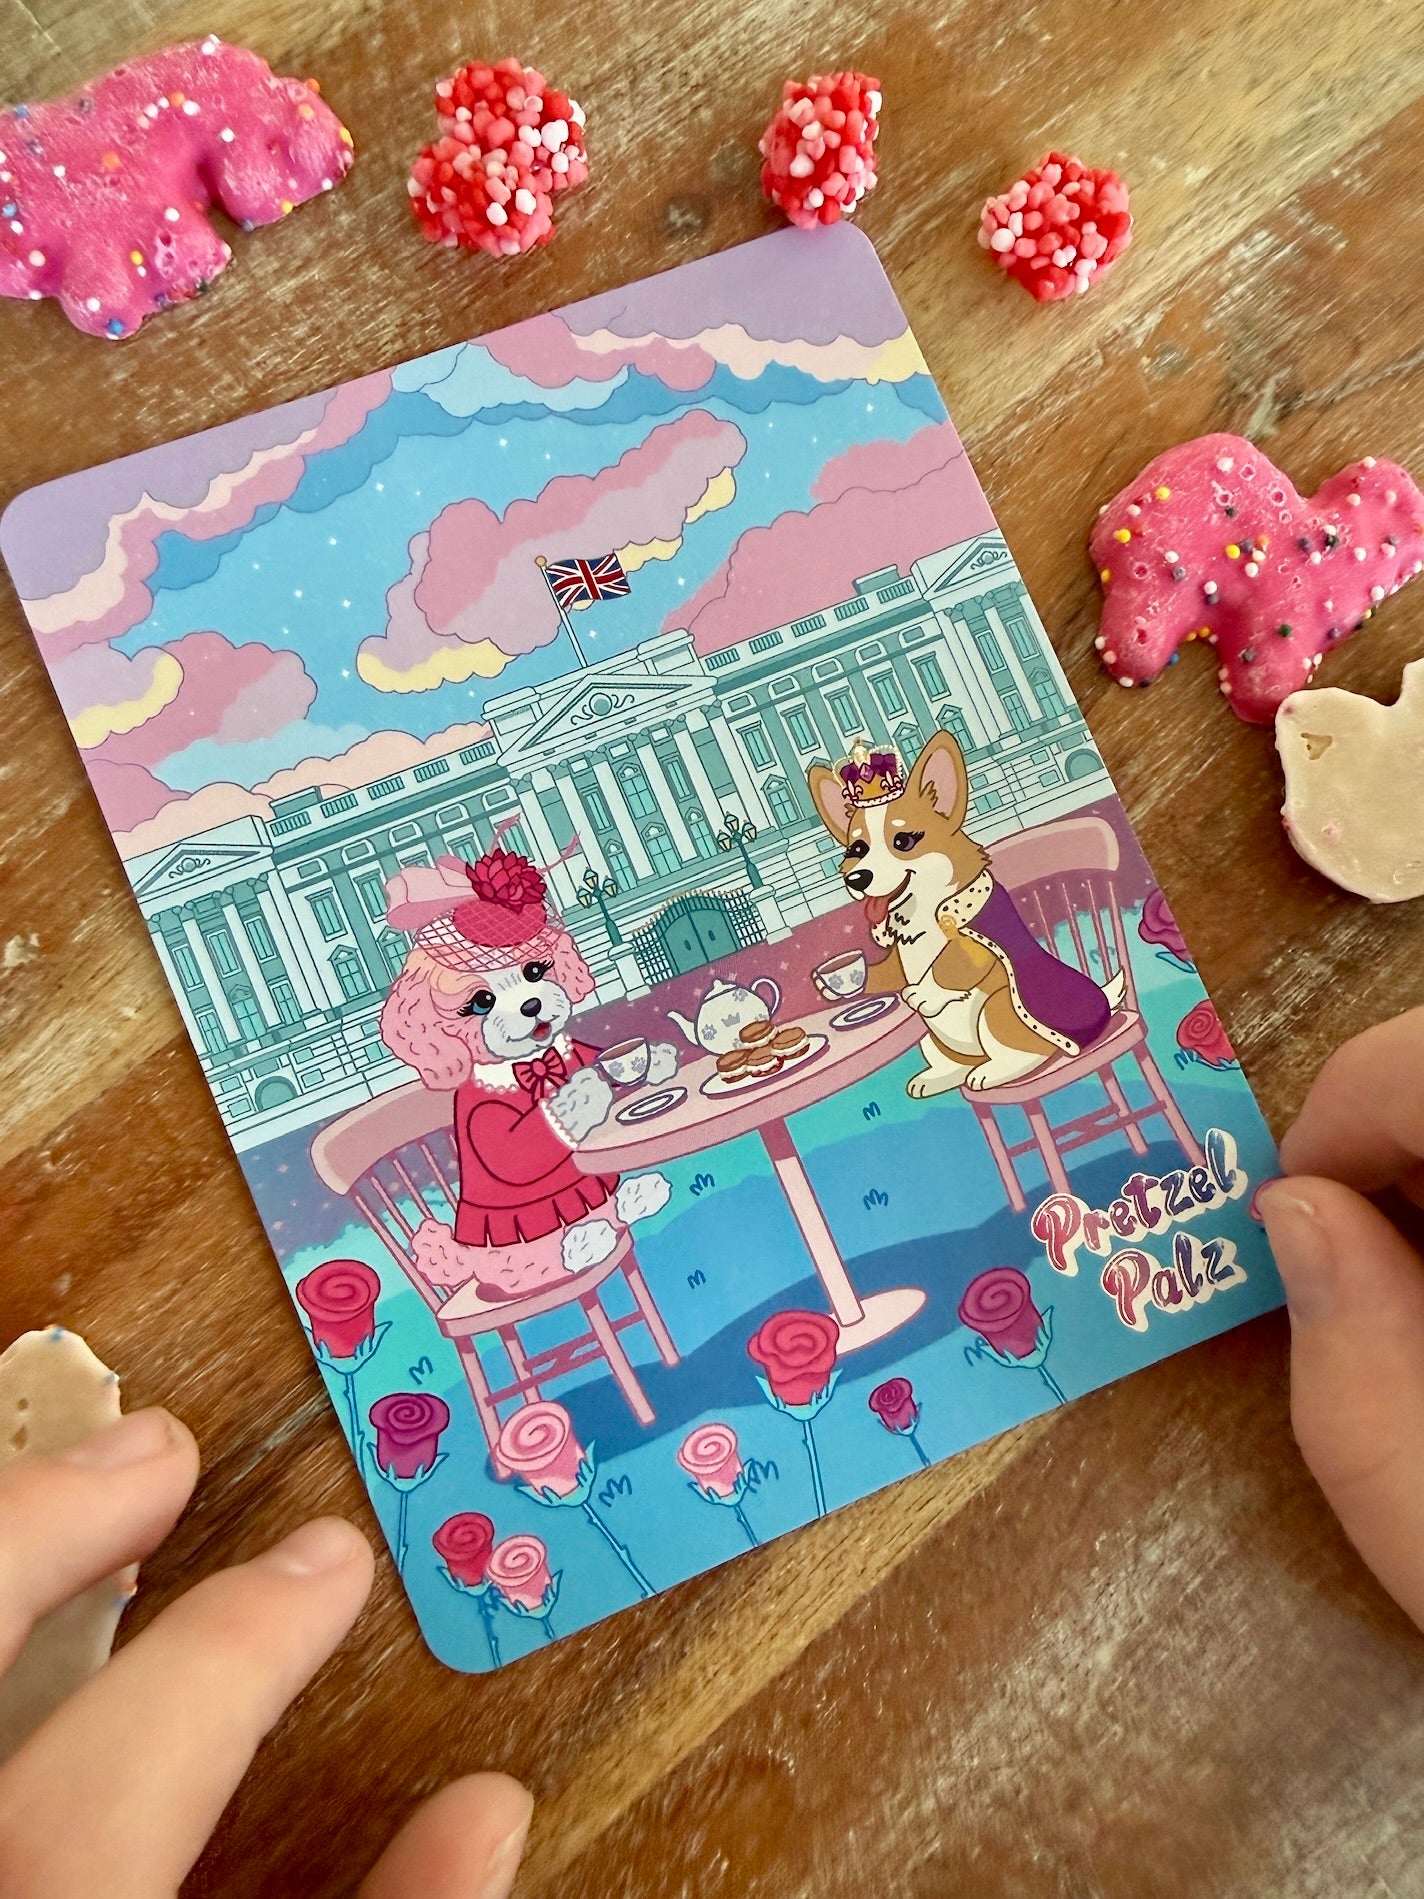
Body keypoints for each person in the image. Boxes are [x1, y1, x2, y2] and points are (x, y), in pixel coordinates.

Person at [2, 1007, 1423, 1892]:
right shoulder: (487, 1093)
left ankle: (803, 1324)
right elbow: (528, 1151)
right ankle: (676, 1374)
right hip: (515, 1248)